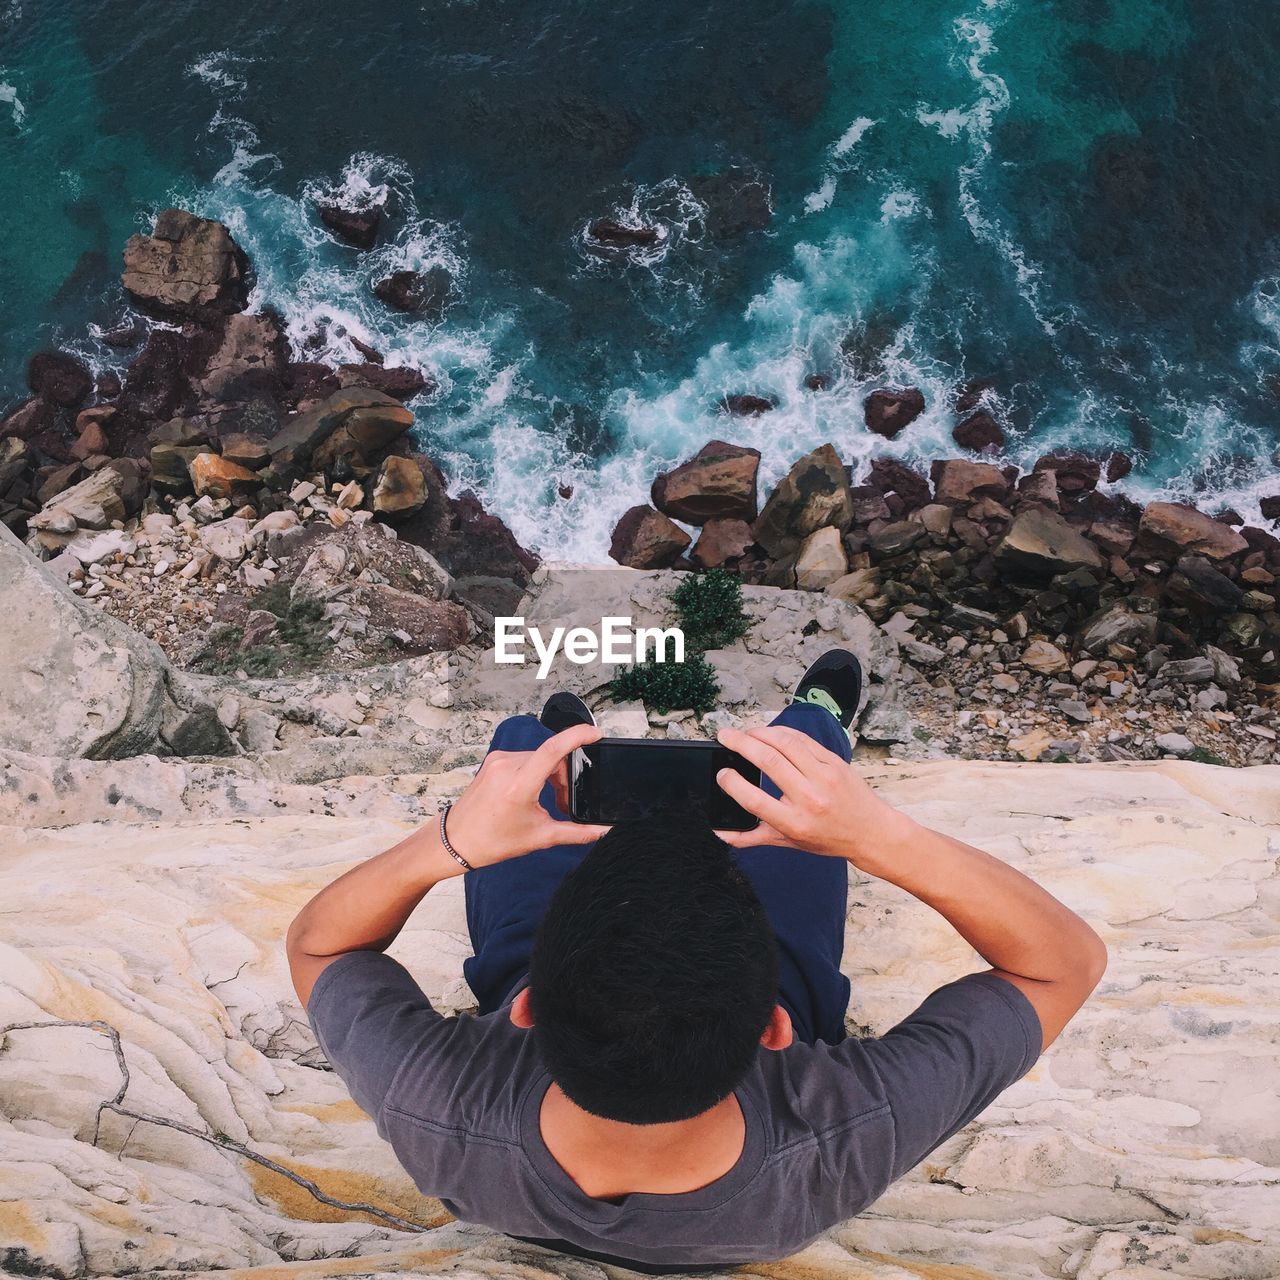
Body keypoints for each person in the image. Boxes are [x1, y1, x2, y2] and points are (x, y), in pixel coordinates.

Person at [287, 650, 1107, 1272]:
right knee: (796, 756)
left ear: (528, 1009)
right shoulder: (843, 1137)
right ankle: (818, 718)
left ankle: (559, 744)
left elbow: (320, 942)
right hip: (691, 980)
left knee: (515, 753)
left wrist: (453, 840)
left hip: (584, 980)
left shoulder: (439, 1112)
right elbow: (1062, 963)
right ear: (777, 1028)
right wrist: (882, 838)